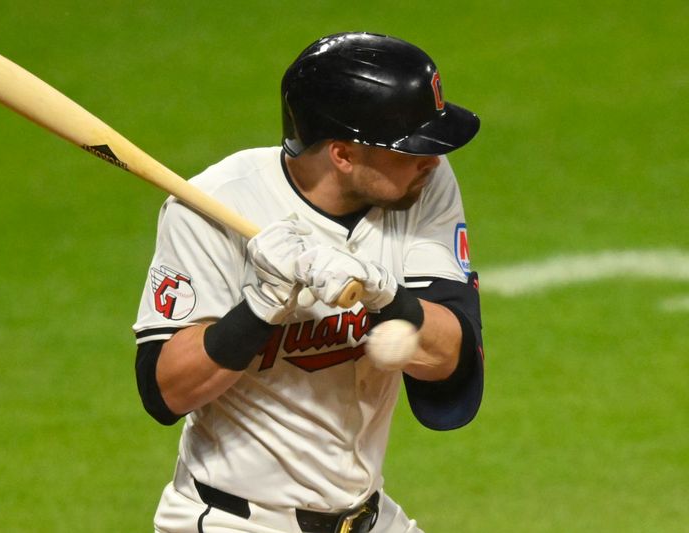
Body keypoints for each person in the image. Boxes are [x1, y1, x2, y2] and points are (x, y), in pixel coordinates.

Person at [133, 31, 484, 533]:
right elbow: (164, 391)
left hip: (367, 516)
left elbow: (452, 358)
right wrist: (264, 304)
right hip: (237, 521)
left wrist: (384, 295)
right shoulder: (212, 207)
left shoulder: (422, 184)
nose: (431, 159)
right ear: (342, 154)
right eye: (409, 148)